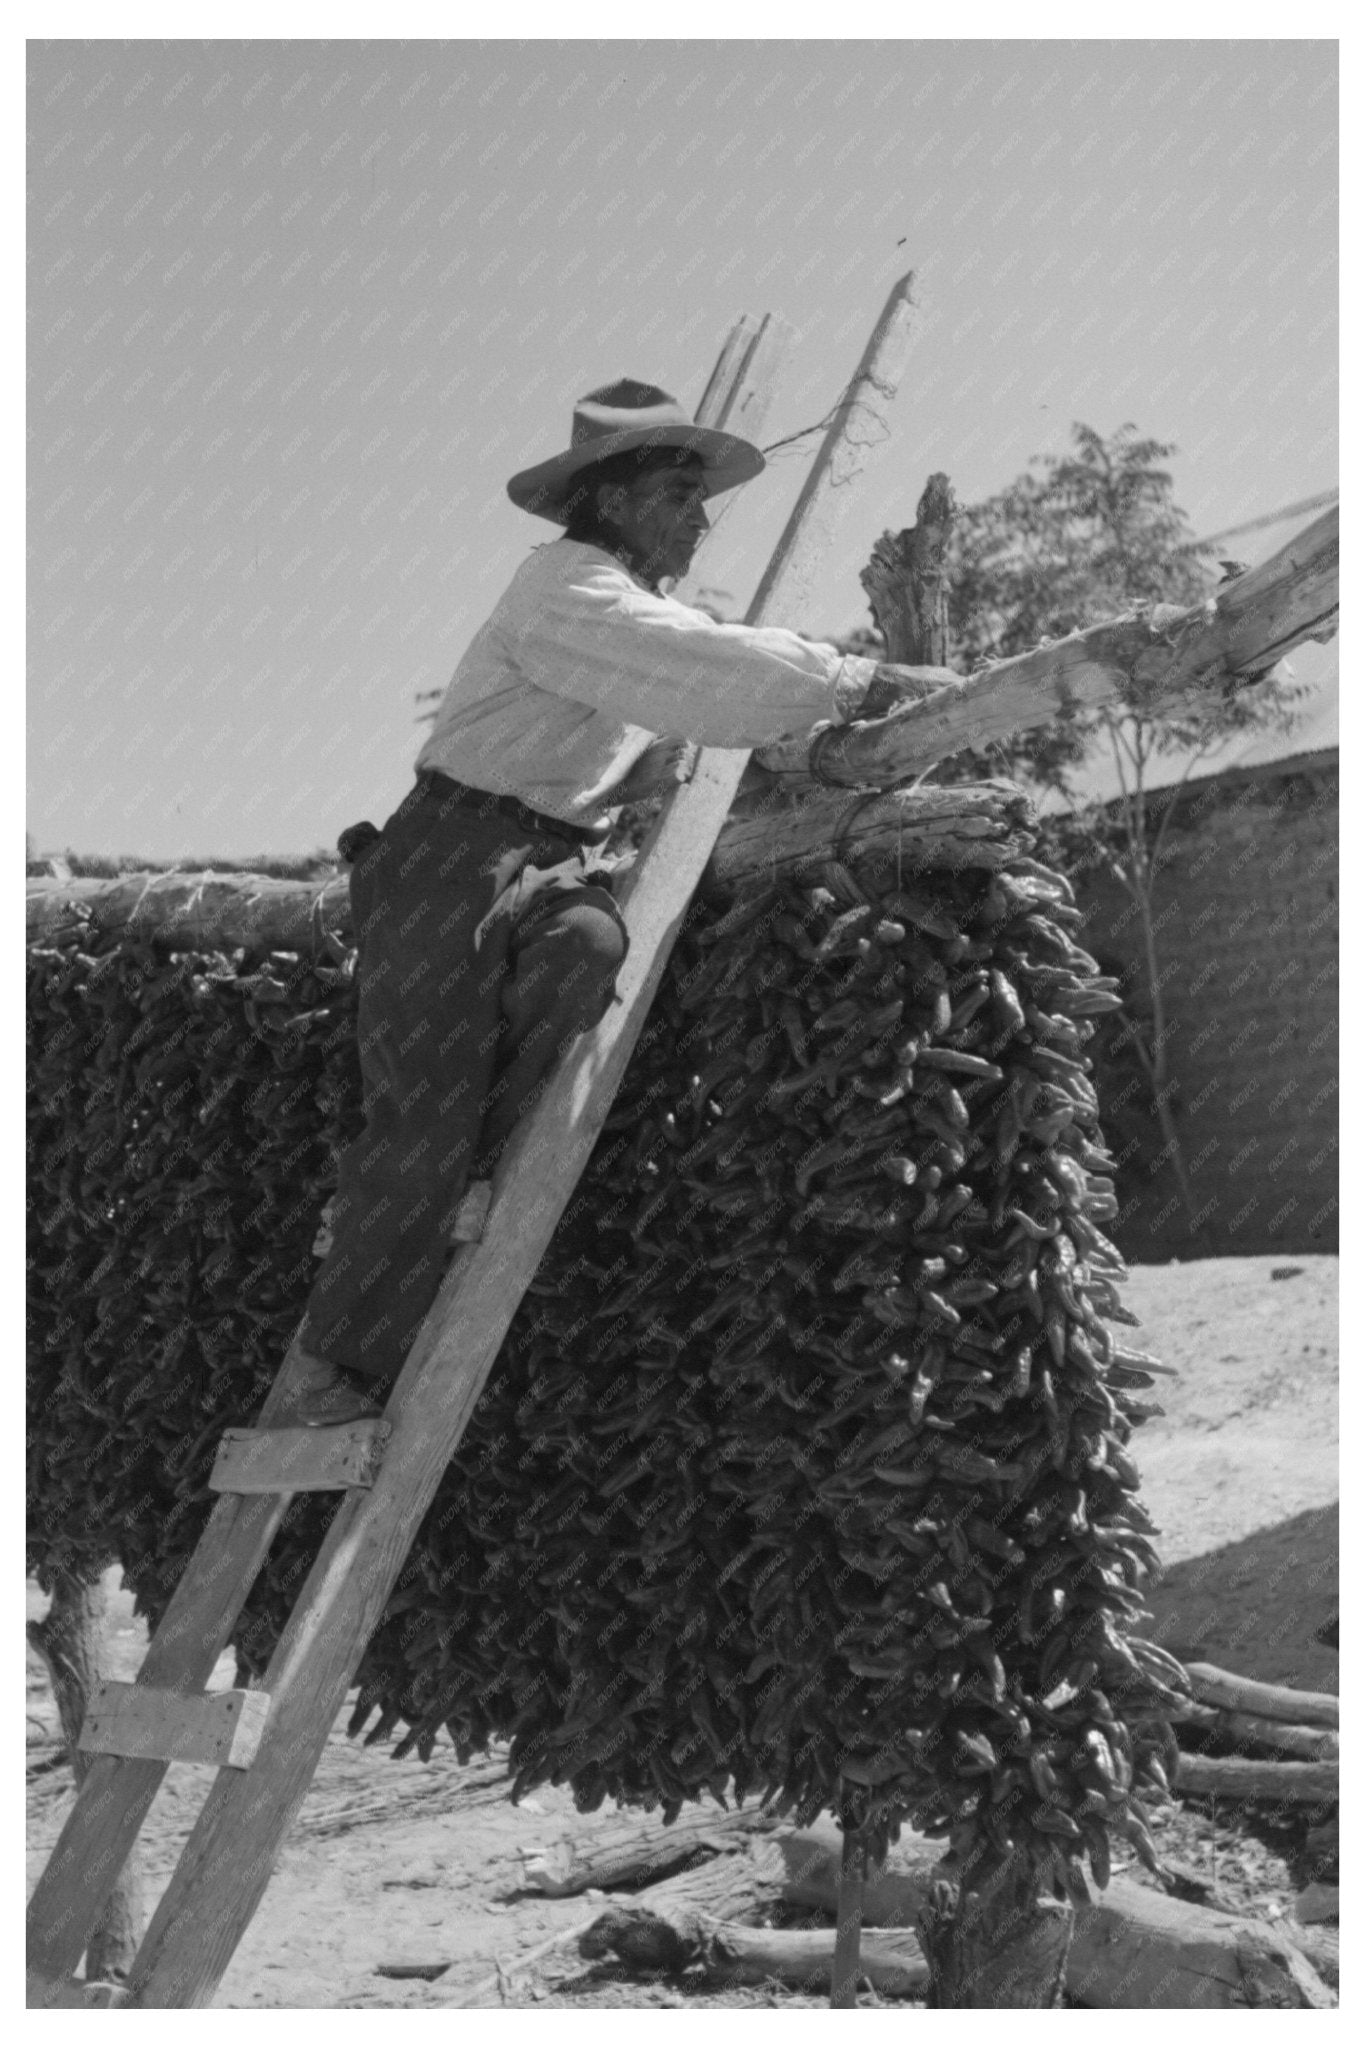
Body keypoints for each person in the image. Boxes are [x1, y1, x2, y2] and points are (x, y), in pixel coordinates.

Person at [290, 379, 933, 1425]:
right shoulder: (567, 588)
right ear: (615, 499)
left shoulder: (624, 606)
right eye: (681, 490)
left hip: (539, 856)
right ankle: (333, 1366)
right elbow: (693, 668)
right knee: (419, 1117)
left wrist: (655, 773)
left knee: (585, 944)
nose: (700, 515)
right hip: (446, 856)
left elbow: (667, 699)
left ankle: (452, 1165)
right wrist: (854, 679)